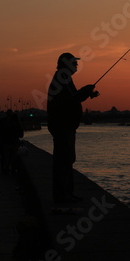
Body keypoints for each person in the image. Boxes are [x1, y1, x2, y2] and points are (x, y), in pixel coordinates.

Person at [47, 53, 99, 203]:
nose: (76, 66)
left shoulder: (64, 78)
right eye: (74, 63)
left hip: (65, 125)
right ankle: (63, 195)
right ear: (66, 64)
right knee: (64, 160)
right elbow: (72, 98)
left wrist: (87, 93)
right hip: (62, 125)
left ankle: (66, 193)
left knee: (67, 159)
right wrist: (86, 89)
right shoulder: (62, 78)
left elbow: (72, 98)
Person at [0, 110, 24, 174]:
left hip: (6, 142)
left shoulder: (5, 123)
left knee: (5, 156)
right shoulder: (17, 125)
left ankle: (5, 168)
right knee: (13, 156)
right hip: (14, 142)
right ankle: (13, 169)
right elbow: (21, 135)